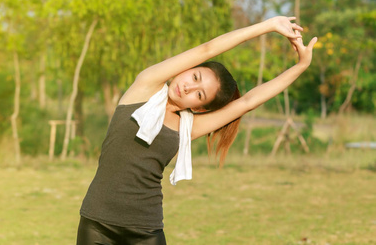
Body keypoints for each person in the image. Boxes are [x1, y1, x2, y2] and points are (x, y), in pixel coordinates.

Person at [76, 16, 317, 245]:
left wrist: (302, 66)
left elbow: (247, 102)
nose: (188, 87)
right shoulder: (145, 85)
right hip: (96, 223)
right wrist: (267, 25)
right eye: (195, 76)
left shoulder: (188, 127)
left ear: (200, 109)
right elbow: (208, 49)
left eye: (199, 94)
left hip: (145, 230)